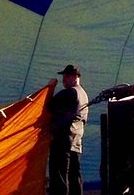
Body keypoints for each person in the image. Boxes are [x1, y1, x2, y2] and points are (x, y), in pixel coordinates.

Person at [48, 64, 89, 195]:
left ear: (74, 77)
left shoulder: (70, 92)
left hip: (63, 140)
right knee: (74, 175)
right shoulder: (83, 94)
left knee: (59, 176)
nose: (63, 80)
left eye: (66, 77)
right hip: (76, 142)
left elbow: (48, 105)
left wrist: (50, 88)